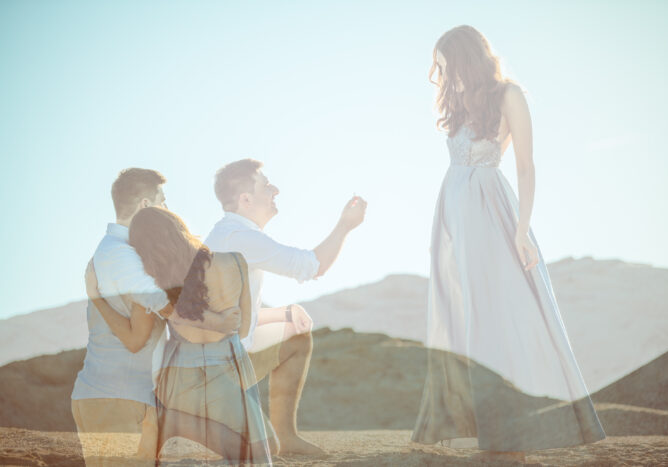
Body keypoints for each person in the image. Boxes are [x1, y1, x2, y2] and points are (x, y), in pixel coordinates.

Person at [411, 25, 606, 461]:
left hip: (490, 210)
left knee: (505, 313)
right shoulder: (460, 103)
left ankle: (515, 427)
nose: (443, 76)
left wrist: (521, 232)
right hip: (453, 214)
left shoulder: (508, 94)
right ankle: (483, 427)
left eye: (446, 65)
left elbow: (526, 167)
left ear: (466, 58)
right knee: (464, 316)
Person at [74, 168, 238, 467]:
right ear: (146, 205)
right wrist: (219, 323)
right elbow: (160, 304)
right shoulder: (121, 255)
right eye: (164, 202)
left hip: (121, 395)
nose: (168, 209)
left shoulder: (123, 251)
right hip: (116, 398)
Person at [205, 159, 367, 455]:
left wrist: (283, 313)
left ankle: (280, 435)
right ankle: (286, 437)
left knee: (292, 323)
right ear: (245, 199)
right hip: (223, 369)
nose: (275, 189)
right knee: (298, 338)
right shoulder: (243, 239)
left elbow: (230, 314)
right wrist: (345, 225)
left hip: (207, 357)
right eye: (266, 185)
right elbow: (313, 266)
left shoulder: (222, 235)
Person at [129, 206, 275, 465]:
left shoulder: (156, 283)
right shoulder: (235, 261)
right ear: (179, 230)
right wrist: (219, 322)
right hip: (229, 369)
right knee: (247, 455)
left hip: (180, 376)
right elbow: (242, 329)